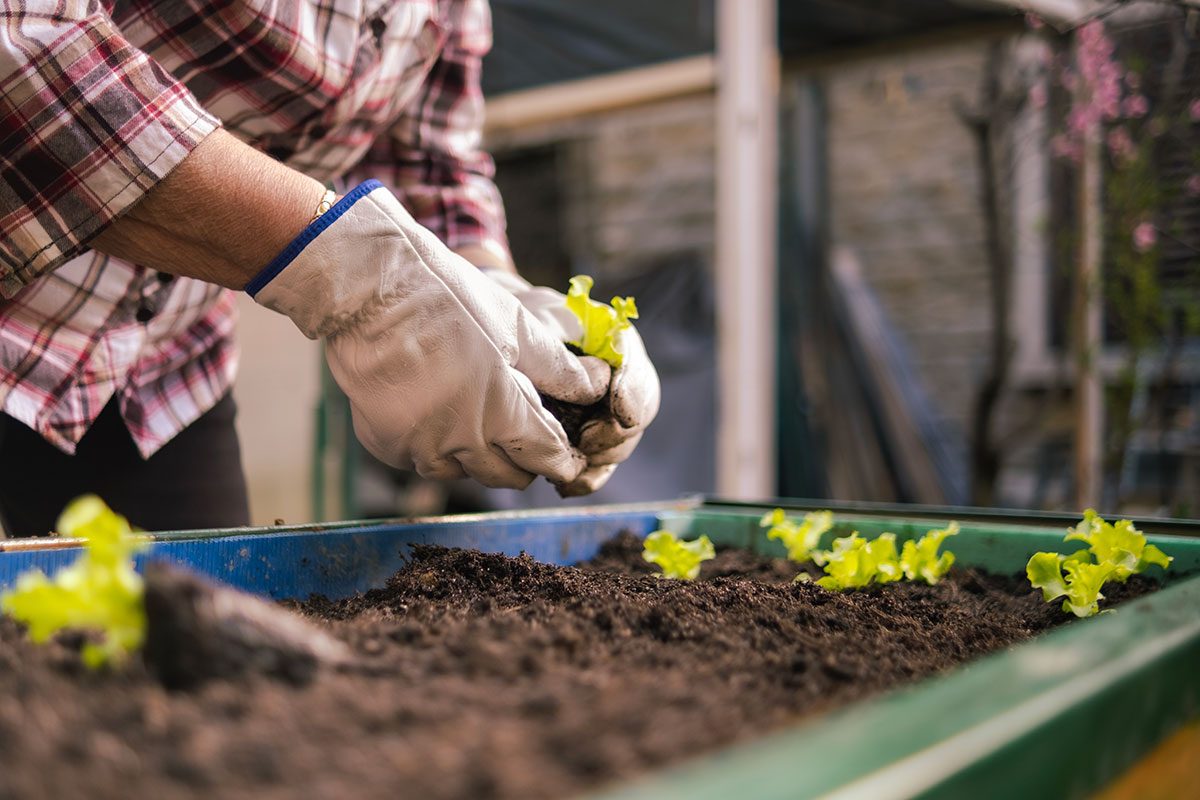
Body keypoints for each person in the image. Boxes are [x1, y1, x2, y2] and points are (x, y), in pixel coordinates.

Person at [0, 1, 659, 537]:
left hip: (160, 374)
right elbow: (23, 51)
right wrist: (353, 275)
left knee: (203, 681)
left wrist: (505, 305)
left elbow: (430, 162)